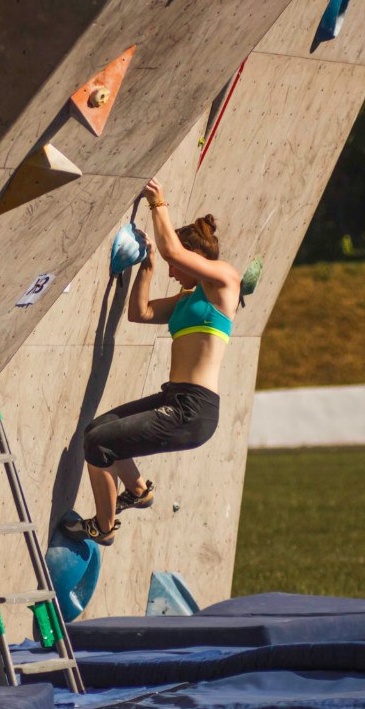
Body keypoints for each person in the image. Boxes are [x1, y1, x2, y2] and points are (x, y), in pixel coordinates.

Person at [62, 177, 241, 545]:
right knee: (98, 427)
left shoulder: (226, 280)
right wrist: (147, 268)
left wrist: (158, 204)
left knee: (98, 446)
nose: (174, 273)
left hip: (194, 410)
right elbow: (139, 313)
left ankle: (104, 528)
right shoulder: (186, 302)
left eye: (179, 266)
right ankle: (138, 491)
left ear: (196, 259)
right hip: (173, 398)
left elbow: (175, 253)